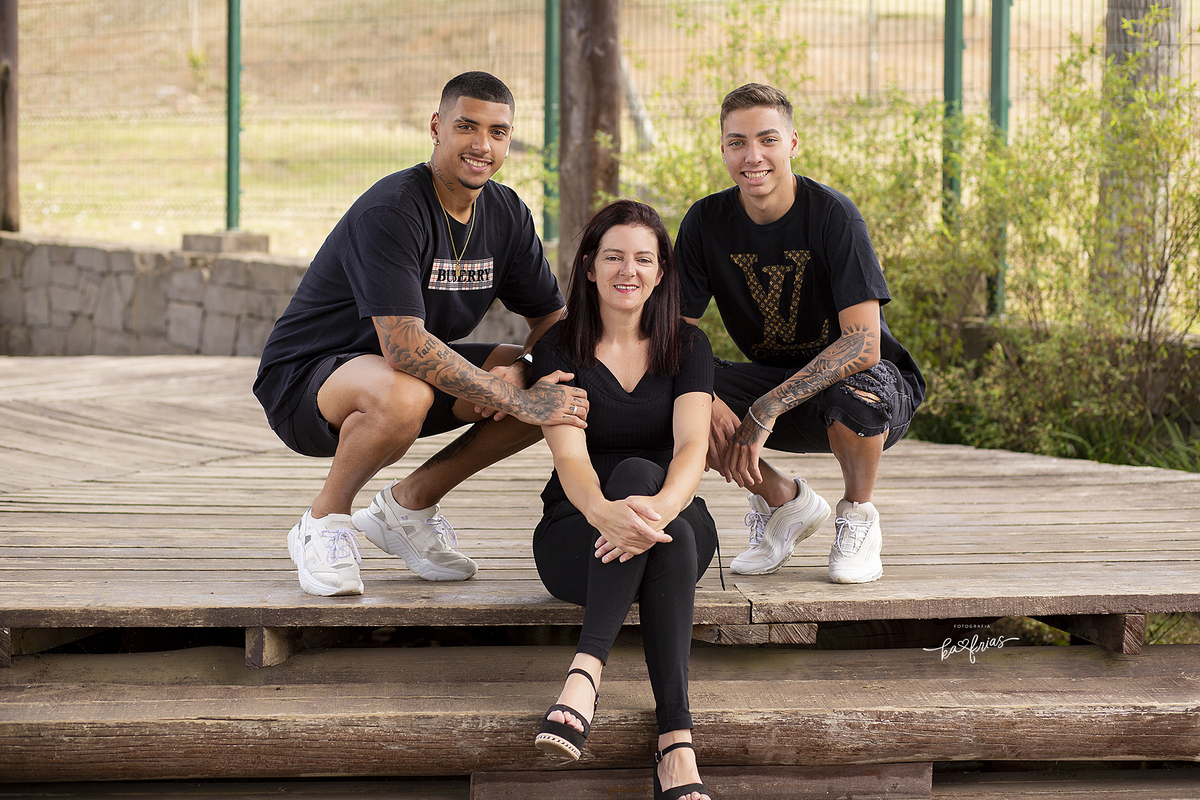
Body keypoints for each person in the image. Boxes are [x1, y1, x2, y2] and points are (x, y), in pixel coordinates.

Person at [253, 71, 589, 597]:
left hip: (404, 377)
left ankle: (406, 508)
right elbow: (404, 346)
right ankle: (323, 522)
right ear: (437, 127)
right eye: (467, 127)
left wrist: (524, 374)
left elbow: (554, 322)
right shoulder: (394, 209)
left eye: (498, 132)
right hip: (306, 382)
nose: (482, 145)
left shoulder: (505, 213)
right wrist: (508, 396)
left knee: (560, 385)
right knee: (408, 390)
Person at [675, 83, 925, 585]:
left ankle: (858, 514)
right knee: (668, 387)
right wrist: (702, 395)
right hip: (774, 379)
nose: (753, 156)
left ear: (792, 143)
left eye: (767, 139)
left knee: (857, 389)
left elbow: (863, 343)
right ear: (722, 148)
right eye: (737, 142)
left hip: (868, 392)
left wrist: (768, 406)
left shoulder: (833, 216)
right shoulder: (706, 221)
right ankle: (783, 503)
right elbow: (674, 332)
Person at [529, 200, 716, 800]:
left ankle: (584, 677)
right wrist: (604, 511)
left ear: (661, 272)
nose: (627, 270)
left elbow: (691, 447)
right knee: (656, 512)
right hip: (576, 529)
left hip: (672, 512)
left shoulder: (688, 346)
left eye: (643, 258)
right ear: (589, 266)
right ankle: (676, 746)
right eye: (613, 256)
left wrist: (655, 508)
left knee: (651, 485)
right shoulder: (559, 348)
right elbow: (571, 462)